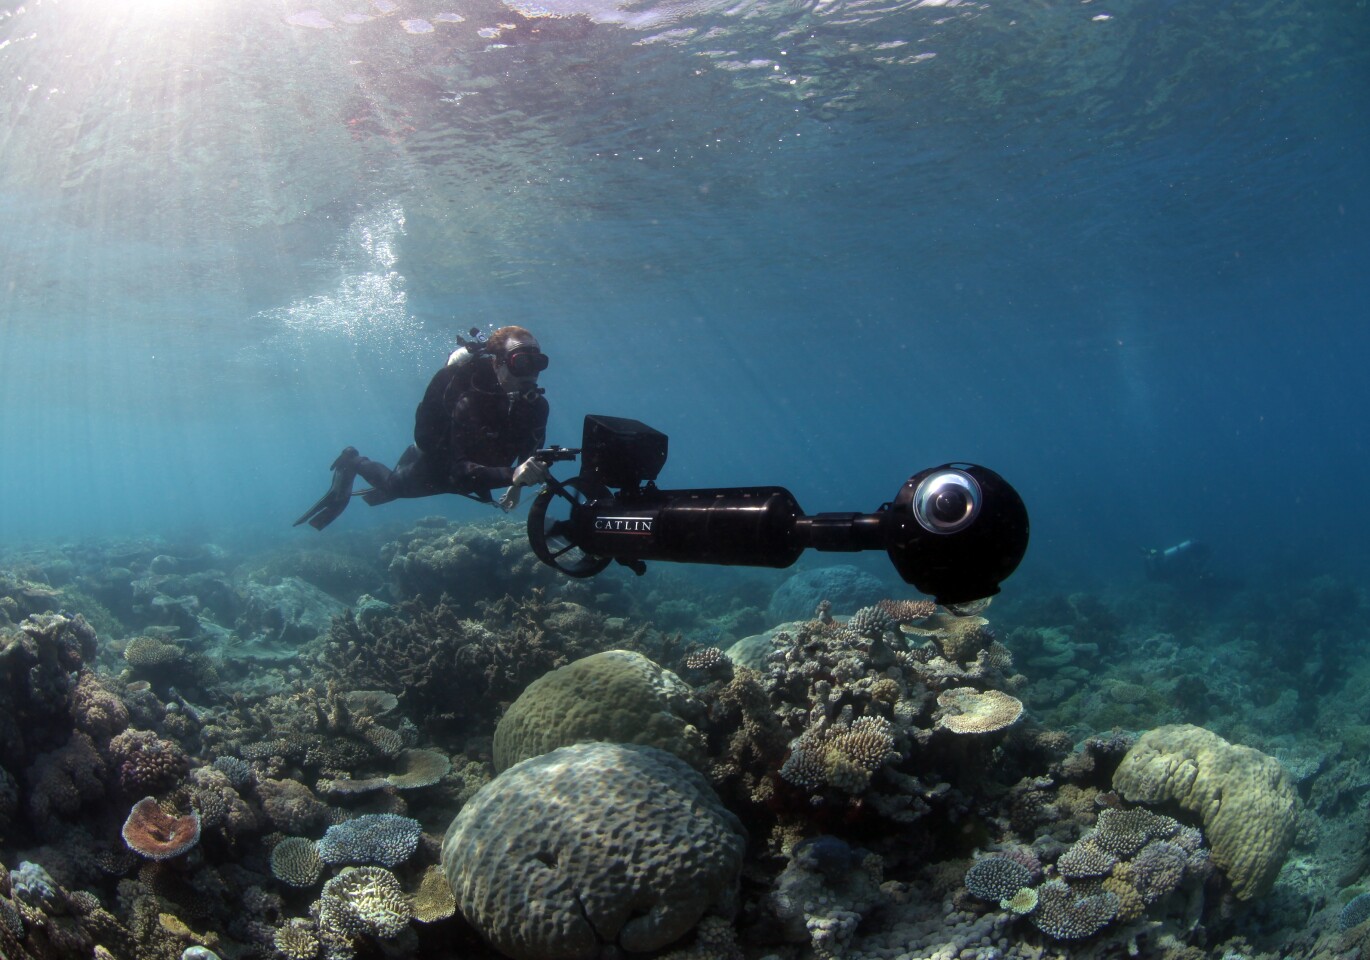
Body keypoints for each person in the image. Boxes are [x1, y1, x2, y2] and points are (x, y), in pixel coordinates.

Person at [294, 325, 552, 530]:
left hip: (481, 470)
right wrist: (512, 476)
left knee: (462, 482)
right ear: (497, 362)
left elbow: (530, 455)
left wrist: (516, 484)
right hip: (440, 462)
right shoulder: (467, 399)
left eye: (538, 363)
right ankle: (353, 461)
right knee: (394, 487)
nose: (530, 373)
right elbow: (459, 471)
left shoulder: (537, 406)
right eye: (521, 363)